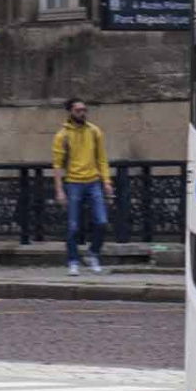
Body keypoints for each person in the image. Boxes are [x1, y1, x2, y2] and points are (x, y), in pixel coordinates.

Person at [51, 98, 114, 276]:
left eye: (84, 110)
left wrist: (107, 182)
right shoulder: (62, 135)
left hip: (93, 181)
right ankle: (73, 261)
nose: (82, 113)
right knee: (73, 226)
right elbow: (57, 165)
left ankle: (93, 253)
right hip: (73, 183)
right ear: (70, 112)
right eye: (78, 110)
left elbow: (102, 159)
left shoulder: (94, 131)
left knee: (101, 221)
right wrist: (59, 190)